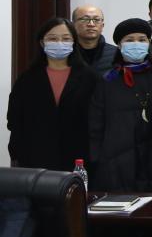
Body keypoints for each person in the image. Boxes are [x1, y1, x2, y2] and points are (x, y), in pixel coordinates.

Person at [8, 17, 99, 171]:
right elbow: (14, 120)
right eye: (52, 39)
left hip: (79, 158)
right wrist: (18, 152)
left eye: (66, 38)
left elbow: (98, 120)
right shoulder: (27, 79)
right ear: (42, 43)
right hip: (35, 159)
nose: (59, 43)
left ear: (74, 42)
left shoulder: (90, 78)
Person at [88, 18, 152, 191]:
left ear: (149, 43)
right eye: (129, 40)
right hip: (116, 159)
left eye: (142, 39)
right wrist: (96, 156)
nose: (136, 44)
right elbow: (96, 123)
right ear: (119, 45)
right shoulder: (108, 79)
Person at [72, 4, 117, 73]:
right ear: (73, 24)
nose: (91, 24)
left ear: (102, 25)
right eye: (85, 19)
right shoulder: (66, 53)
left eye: (96, 19)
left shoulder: (116, 54)